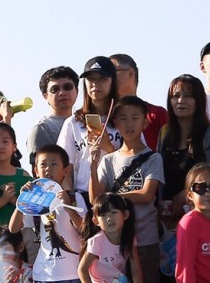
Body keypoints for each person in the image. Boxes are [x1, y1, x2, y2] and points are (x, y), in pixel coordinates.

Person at [89, 95, 164, 283]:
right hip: (114, 245)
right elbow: (95, 200)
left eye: (135, 118)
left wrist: (111, 198)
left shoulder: (153, 157)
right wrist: (93, 167)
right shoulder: (108, 160)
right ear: (115, 123)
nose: (129, 124)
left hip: (146, 241)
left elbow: (147, 195)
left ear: (145, 122)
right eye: (123, 118)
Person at [9, 144, 84, 283]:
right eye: (43, 164)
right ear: (36, 171)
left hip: (75, 275)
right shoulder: (35, 202)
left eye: (54, 164)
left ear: (66, 170)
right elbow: (13, 228)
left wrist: (68, 206)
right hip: (44, 276)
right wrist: (23, 201)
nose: (48, 168)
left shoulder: (76, 198)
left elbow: (84, 229)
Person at [158, 75, 210, 220]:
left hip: (202, 216)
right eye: (175, 96)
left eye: (188, 96)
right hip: (168, 219)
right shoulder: (165, 133)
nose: (180, 101)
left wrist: (186, 193)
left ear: (199, 100)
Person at [57, 57, 122, 200]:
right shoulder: (73, 122)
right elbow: (65, 167)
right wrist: (71, 198)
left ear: (113, 81)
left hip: (117, 195)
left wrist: (109, 148)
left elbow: (137, 157)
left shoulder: (123, 119)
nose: (95, 84)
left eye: (102, 79)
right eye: (90, 79)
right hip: (82, 194)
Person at [78, 192, 152, 283]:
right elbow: (82, 270)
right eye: (103, 215)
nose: (109, 218)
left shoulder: (129, 238)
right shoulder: (96, 242)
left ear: (125, 215)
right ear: (96, 221)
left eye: (114, 212)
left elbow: (135, 267)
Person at [110, 54, 168, 150]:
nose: (108, 78)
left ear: (131, 74)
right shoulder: (104, 116)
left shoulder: (156, 114)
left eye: (112, 72)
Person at [27, 67, 79, 168]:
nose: (62, 93)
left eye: (67, 87)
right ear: (45, 95)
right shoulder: (42, 128)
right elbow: (39, 172)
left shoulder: (84, 123)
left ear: (76, 91)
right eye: (55, 89)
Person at [0, 123, 31, 230]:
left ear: (14, 147)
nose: (0, 146)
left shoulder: (24, 176)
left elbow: (32, 212)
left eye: (5, 141)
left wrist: (13, 199)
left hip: (20, 238)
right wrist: (4, 199)